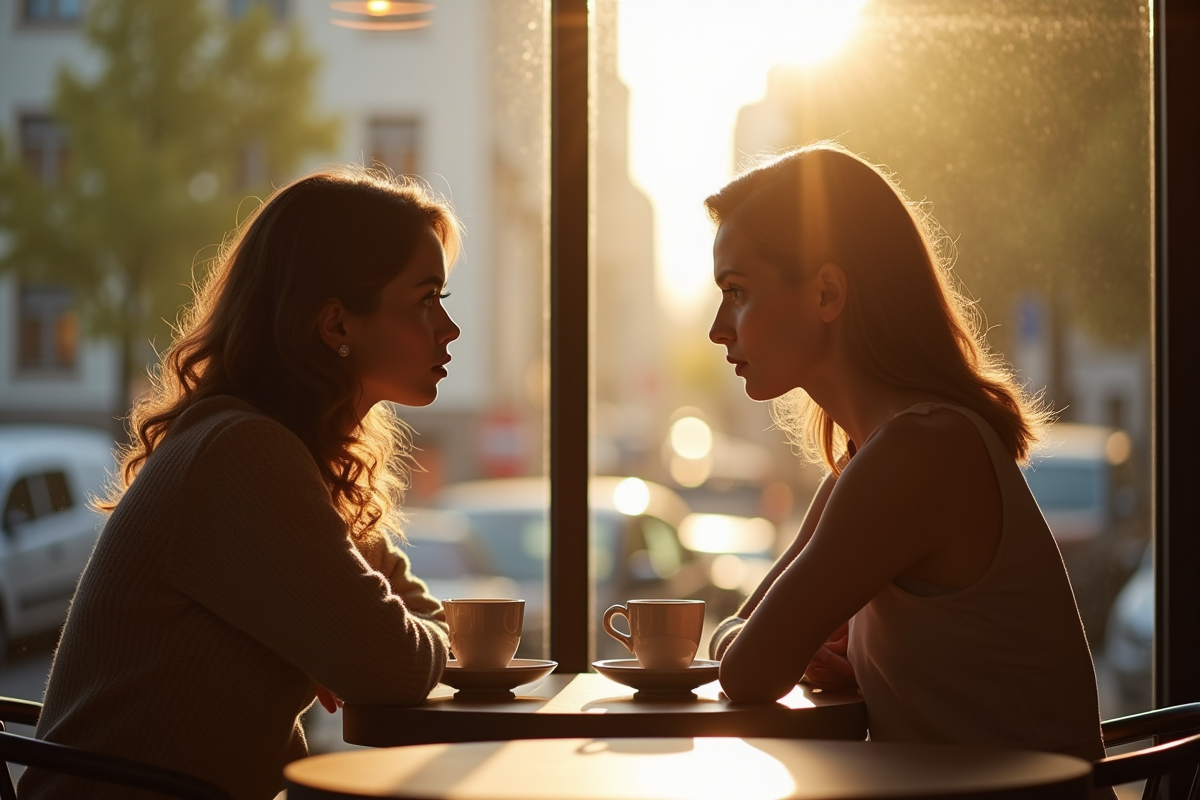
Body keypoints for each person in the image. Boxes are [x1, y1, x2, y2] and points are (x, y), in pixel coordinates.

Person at [20, 167, 461, 800]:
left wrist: (363, 637)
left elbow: (405, 620)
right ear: (336, 325)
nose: (448, 329)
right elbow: (389, 662)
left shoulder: (278, 456)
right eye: (425, 300)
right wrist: (362, 640)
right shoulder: (243, 456)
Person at [705, 143, 1109, 766]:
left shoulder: (919, 453)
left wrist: (791, 644)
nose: (717, 328)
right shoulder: (868, 459)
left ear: (827, 293)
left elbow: (748, 670)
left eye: (737, 291)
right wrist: (792, 644)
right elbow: (739, 640)